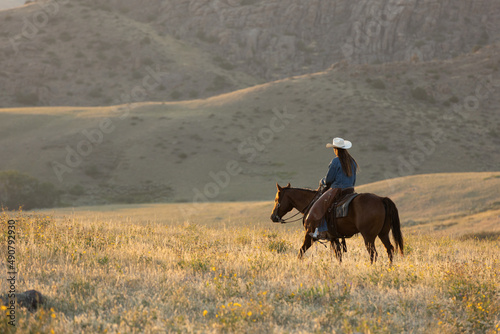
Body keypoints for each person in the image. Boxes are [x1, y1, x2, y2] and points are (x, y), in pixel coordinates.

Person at [305, 137, 358, 239]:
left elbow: (329, 179)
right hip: (350, 190)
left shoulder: (335, 161)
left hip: (337, 190)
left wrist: (322, 181)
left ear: (336, 149)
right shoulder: (352, 161)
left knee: (320, 206)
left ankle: (321, 231)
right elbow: (354, 179)